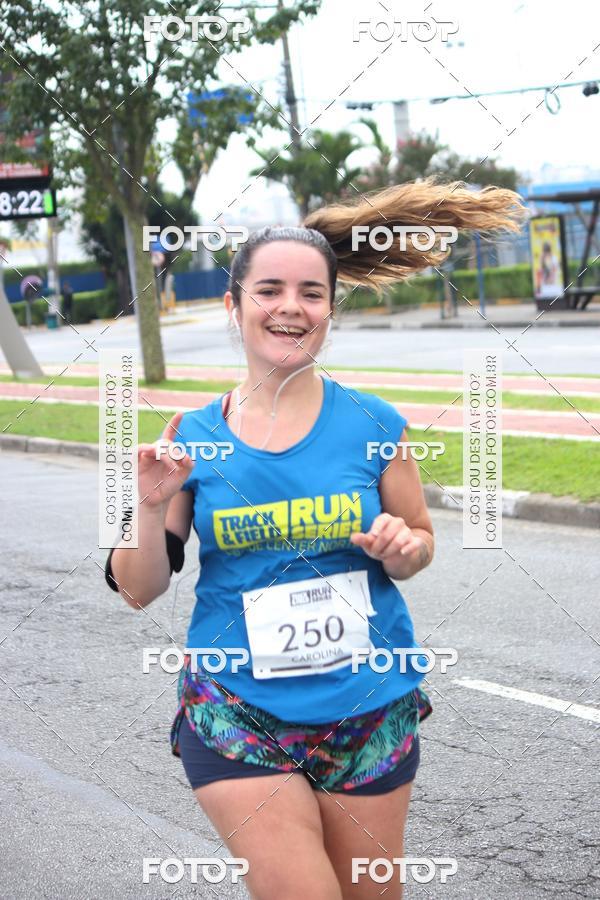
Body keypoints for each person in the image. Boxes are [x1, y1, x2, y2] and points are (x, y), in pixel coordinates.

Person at [105, 178, 524, 899]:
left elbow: (420, 541)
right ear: (233, 306)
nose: (290, 308)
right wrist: (146, 507)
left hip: (368, 710)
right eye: (268, 290)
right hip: (238, 712)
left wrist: (406, 546)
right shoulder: (189, 440)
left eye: (311, 293)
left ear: (331, 308)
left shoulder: (376, 425)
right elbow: (139, 590)